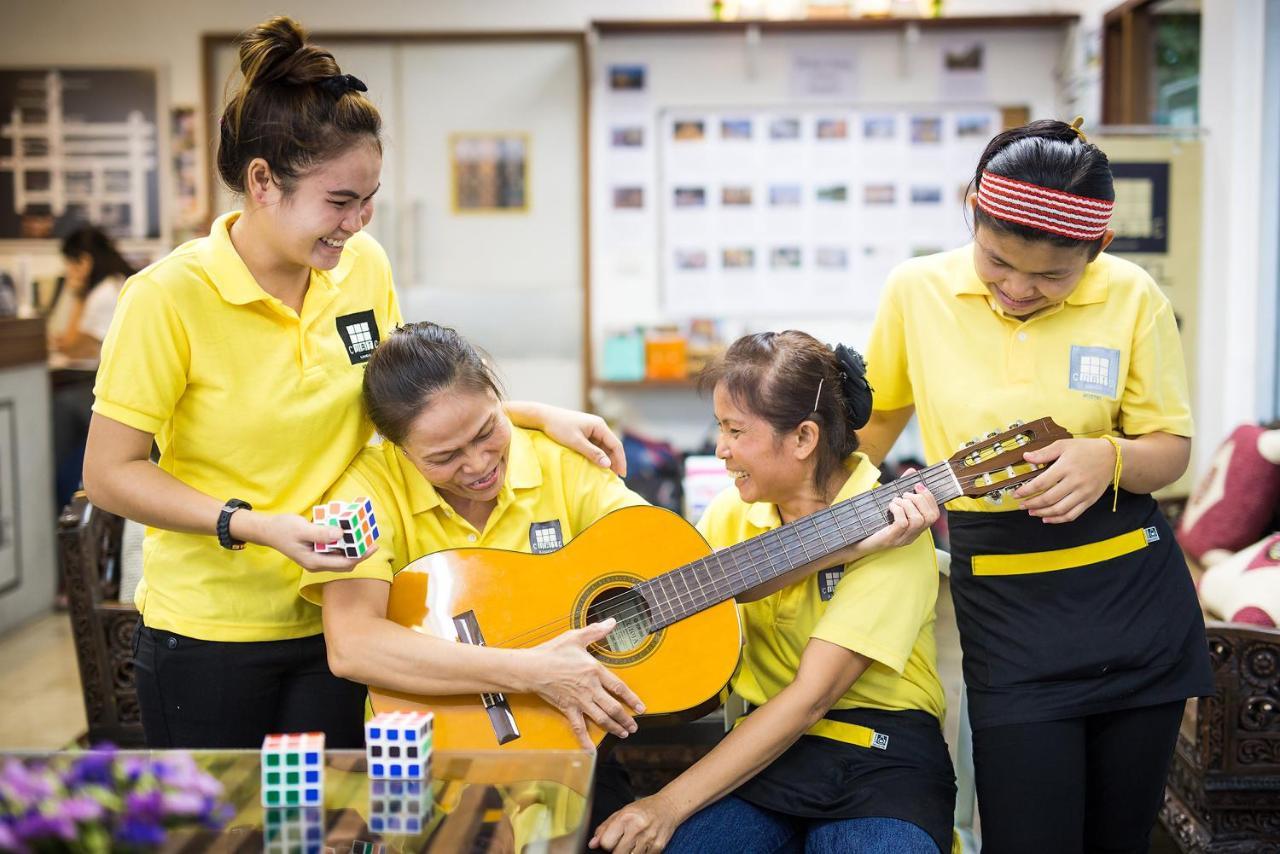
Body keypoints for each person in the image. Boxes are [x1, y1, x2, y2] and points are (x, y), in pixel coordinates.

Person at [82, 16, 626, 750]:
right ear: (262, 182)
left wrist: (529, 418)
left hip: (350, 611)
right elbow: (110, 475)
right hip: (212, 631)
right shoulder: (165, 298)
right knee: (225, 832)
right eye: (340, 201)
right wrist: (257, 526)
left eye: (368, 198)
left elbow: (402, 408)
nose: (358, 222)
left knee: (326, 829)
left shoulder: (361, 265)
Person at [300, 323, 939, 843]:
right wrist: (530, 670)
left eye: (488, 431)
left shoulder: (558, 461)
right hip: (427, 758)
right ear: (395, 451)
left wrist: (848, 541)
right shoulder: (356, 493)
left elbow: (682, 579)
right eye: (443, 457)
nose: (477, 465)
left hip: (567, 751)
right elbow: (352, 646)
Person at [857, 118, 1213, 854]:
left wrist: (1105, 458)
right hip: (1007, 607)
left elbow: (1171, 448)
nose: (1019, 289)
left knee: (1120, 840)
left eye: (1052, 276)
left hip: (1133, 599)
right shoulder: (915, 292)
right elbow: (868, 436)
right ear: (972, 216)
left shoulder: (1133, 297)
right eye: (997, 263)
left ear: (1099, 249)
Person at [592, 331, 953, 854]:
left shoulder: (896, 528)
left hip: (880, 761)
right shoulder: (729, 513)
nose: (720, 449)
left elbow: (811, 699)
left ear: (804, 438)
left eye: (736, 430)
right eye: (720, 427)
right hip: (764, 758)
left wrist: (665, 805)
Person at [48, 226, 133, 509]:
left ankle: (61, 499)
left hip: (110, 388)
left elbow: (70, 343)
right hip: (113, 383)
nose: (69, 270)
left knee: (60, 408)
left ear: (84, 261)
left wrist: (76, 292)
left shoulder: (103, 293)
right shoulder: (115, 283)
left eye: (72, 264)